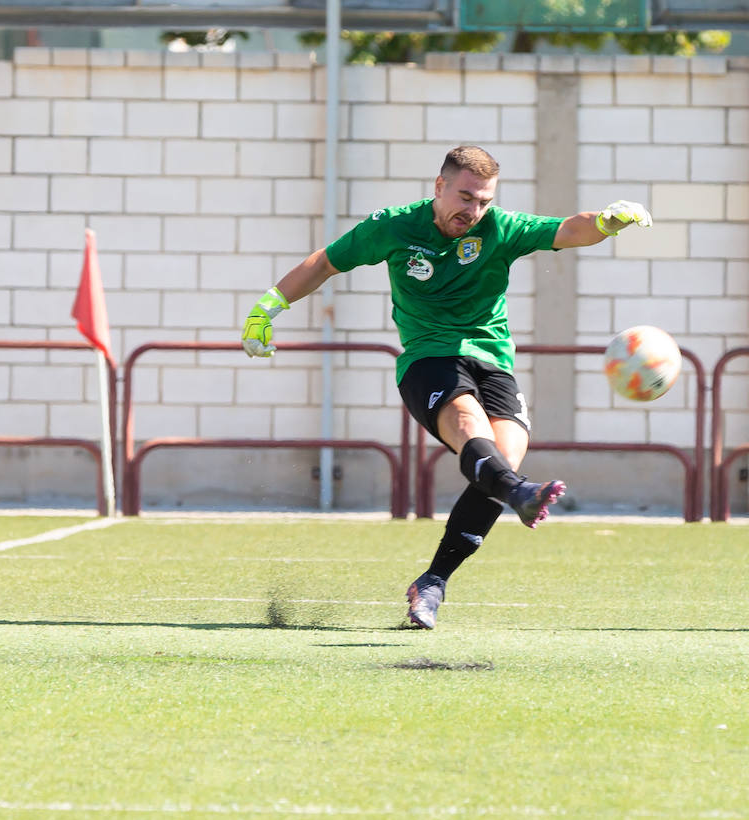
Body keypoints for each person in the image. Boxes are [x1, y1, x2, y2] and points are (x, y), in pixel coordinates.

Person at [240, 145, 652, 629]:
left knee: (504, 460)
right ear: (439, 187)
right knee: (469, 424)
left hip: (492, 361)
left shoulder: (500, 228)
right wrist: (268, 307)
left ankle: (433, 581)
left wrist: (606, 221)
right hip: (429, 360)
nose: (473, 211)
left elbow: (566, 229)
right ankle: (518, 494)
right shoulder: (394, 227)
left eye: (482, 201)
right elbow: (327, 262)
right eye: (465, 197)